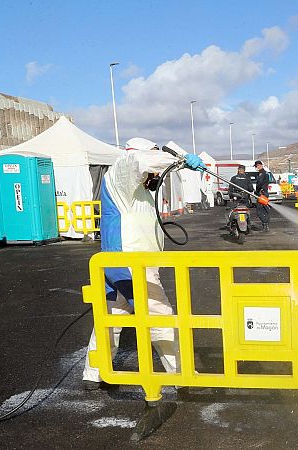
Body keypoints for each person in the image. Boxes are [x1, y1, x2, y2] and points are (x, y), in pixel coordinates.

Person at [82, 138, 206, 390]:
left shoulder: (137, 191)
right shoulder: (121, 173)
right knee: (160, 317)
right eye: (154, 170)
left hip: (120, 263)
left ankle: (93, 373)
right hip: (132, 265)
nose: (155, 176)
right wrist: (181, 161)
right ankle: (182, 376)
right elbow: (140, 161)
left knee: (111, 319)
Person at [253, 160, 270, 231]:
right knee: (265, 209)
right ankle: (266, 225)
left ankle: (265, 224)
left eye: (257, 166)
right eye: (256, 166)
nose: (257, 167)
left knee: (259, 210)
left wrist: (257, 191)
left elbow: (261, 183)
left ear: (260, 165)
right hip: (263, 193)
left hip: (262, 193)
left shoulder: (262, 173)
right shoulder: (263, 173)